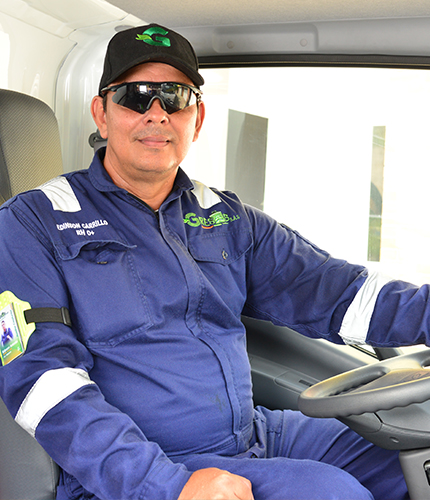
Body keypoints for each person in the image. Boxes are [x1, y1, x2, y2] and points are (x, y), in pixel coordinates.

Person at [0, 23, 422, 500]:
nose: (157, 114)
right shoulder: (32, 223)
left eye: (175, 97)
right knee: (331, 493)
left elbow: (340, 293)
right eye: (136, 96)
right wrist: (166, 486)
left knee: (414, 453)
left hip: (255, 436)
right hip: (142, 468)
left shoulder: (227, 217)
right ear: (102, 113)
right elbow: (42, 381)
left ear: (196, 118)